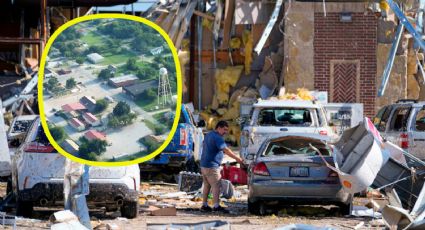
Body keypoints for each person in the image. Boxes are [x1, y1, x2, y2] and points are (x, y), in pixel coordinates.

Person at [200, 120, 245, 212]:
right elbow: (226, 150)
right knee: (216, 185)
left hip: (204, 165)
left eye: (227, 130)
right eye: (224, 129)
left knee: (207, 186)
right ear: (219, 128)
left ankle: (204, 205)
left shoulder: (209, 134)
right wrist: (238, 159)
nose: (225, 132)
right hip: (212, 166)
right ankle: (216, 206)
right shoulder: (218, 137)